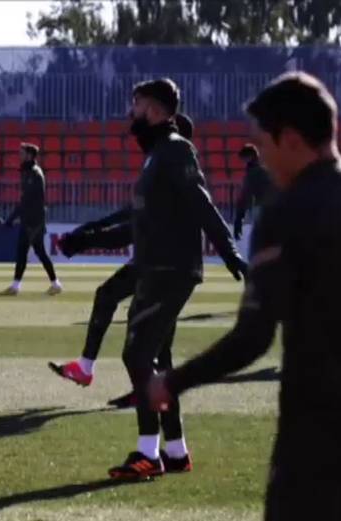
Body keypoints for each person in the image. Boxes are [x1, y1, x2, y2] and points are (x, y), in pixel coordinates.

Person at [148, 72, 341, 521]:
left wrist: (173, 382)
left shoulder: (286, 214)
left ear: (291, 139)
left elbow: (252, 338)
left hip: (317, 431)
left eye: (266, 144)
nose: (264, 160)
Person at [88, 79, 246, 481]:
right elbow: (144, 222)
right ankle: (175, 451)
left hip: (169, 270)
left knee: (136, 356)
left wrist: (230, 253)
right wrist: (90, 239)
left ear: (155, 110)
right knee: (158, 359)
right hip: (158, 267)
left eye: (136, 104)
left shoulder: (175, 149)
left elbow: (202, 203)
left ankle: (147, 453)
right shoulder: (158, 153)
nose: (131, 111)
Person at [51, 113, 239, 406]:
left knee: (131, 318)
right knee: (155, 334)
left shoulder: (172, 164)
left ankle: (142, 401)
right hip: (162, 263)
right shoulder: (165, 166)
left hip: (162, 264)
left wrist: (87, 237)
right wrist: (89, 231)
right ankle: (147, 397)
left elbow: (136, 226)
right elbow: (132, 214)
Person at [1, 143, 62, 296]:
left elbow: (27, 200)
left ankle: (16, 286)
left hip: (33, 220)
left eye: (21, 153)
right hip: (32, 219)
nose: (19, 156)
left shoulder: (34, 173)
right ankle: (55, 284)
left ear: (29, 155)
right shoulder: (29, 171)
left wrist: (11, 218)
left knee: (24, 251)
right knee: (39, 252)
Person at [233, 144, 276, 240]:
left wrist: (239, 218)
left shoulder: (253, 173)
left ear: (249, 158)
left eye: (243, 159)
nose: (243, 162)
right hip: (273, 208)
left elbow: (245, 195)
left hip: (262, 208)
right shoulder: (265, 169)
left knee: (261, 241)